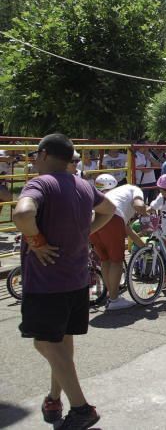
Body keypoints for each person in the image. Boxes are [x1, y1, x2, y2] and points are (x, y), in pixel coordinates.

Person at [14, 133, 116, 428]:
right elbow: (108, 209)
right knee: (62, 342)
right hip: (75, 279)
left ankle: (82, 408)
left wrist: (36, 241)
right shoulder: (83, 185)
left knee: (44, 343)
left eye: (35, 155)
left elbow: (22, 214)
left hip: (47, 282)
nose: (33, 160)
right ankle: (54, 397)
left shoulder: (40, 183)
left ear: (45, 153)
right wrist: (86, 231)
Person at [90, 174, 147, 310]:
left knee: (105, 260)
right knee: (116, 261)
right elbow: (139, 205)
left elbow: (127, 230)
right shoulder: (134, 189)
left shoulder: (114, 195)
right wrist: (146, 212)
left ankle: (112, 296)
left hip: (92, 219)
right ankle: (115, 300)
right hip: (112, 219)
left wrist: (142, 246)